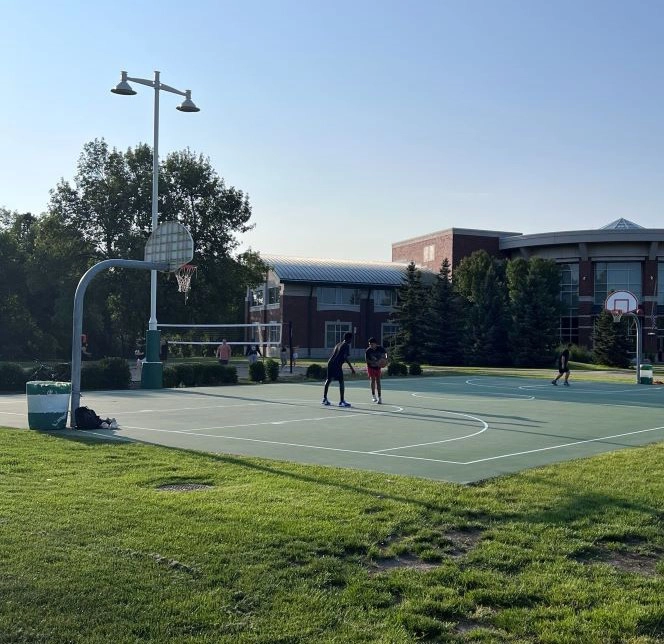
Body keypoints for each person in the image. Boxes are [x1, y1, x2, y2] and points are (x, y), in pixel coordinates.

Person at [322, 332, 356, 407]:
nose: (351, 341)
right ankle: (342, 401)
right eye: (351, 339)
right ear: (349, 339)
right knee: (341, 381)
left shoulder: (338, 344)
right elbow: (345, 357)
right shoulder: (346, 345)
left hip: (330, 363)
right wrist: (352, 368)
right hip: (336, 365)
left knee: (328, 380)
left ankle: (324, 399)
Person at [365, 337, 387, 403]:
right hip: (371, 367)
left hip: (378, 367)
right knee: (372, 380)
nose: (370, 346)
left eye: (371, 344)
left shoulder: (380, 348)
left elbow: (386, 354)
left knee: (378, 381)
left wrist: (386, 359)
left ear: (375, 344)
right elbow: (366, 360)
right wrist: (374, 362)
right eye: (369, 344)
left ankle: (380, 397)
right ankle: (373, 396)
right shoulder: (368, 350)